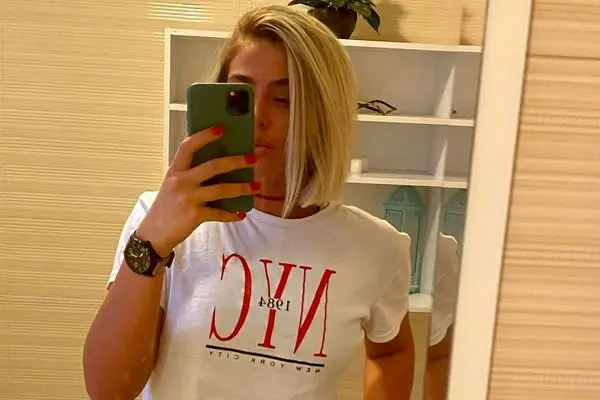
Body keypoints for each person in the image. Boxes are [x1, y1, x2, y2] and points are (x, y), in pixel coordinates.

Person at [83, 5, 414, 400]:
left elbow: (391, 350)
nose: (258, 116)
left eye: (285, 99)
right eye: (240, 95)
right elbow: (109, 390)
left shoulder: (377, 247)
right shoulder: (158, 222)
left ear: (325, 114)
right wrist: (152, 243)